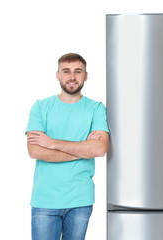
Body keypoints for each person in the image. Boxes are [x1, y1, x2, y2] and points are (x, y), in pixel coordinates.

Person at [26, 53, 109, 240]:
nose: (72, 77)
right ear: (58, 75)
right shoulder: (40, 107)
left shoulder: (96, 108)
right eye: (66, 71)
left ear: (86, 76)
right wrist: (82, 150)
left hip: (80, 200)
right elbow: (35, 151)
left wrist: (52, 143)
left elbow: (99, 149)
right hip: (45, 200)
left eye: (78, 71)